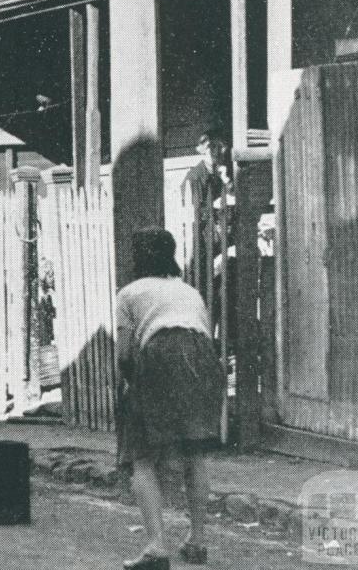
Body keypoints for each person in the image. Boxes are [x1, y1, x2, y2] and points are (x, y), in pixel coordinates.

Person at [115, 228, 225, 570]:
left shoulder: (130, 293)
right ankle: (198, 540)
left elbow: (123, 355)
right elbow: (205, 335)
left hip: (160, 353)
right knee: (195, 452)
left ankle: (156, 546)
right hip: (204, 359)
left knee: (143, 457)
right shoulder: (189, 291)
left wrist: (134, 389)